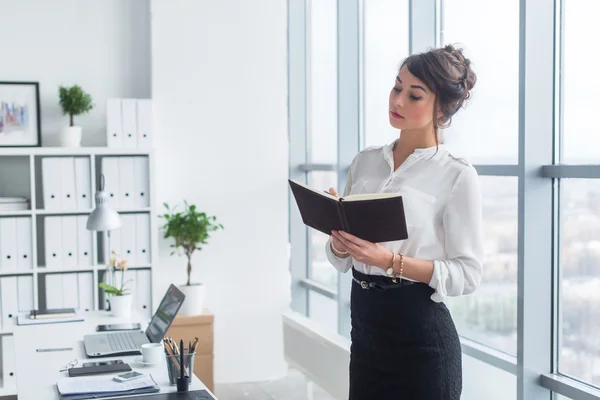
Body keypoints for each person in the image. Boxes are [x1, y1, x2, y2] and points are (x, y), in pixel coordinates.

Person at [325, 44, 483, 400]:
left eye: (414, 95)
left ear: (441, 107)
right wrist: (338, 242)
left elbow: (468, 273)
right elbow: (341, 260)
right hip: (365, 332)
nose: (397, 101)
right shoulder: (365, 162)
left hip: (421, 341)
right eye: (397, 87)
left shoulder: (456, 174)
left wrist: (389, 262)